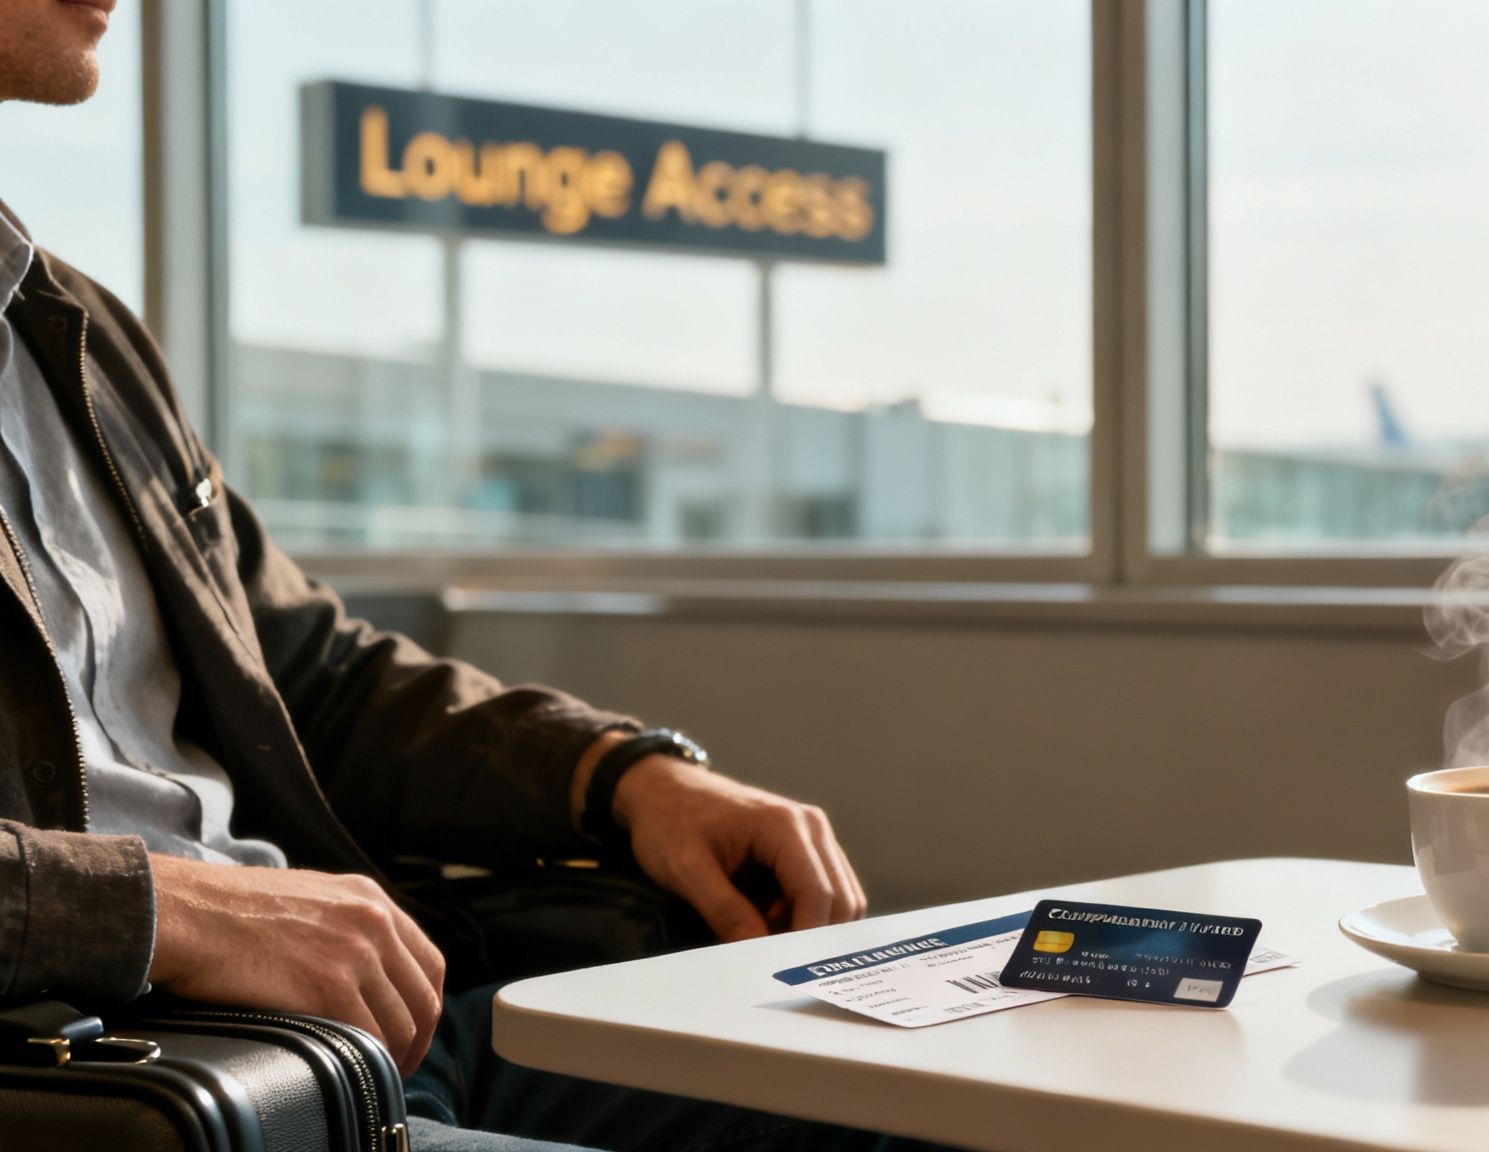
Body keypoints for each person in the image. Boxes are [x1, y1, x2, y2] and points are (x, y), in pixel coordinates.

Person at [0, 3, 921, 1149]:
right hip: (143, 1083)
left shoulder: (70, 330)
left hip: (372, 1027)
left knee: (956, 1110)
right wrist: (150, 906)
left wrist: (618, 774)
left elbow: (303, 672)